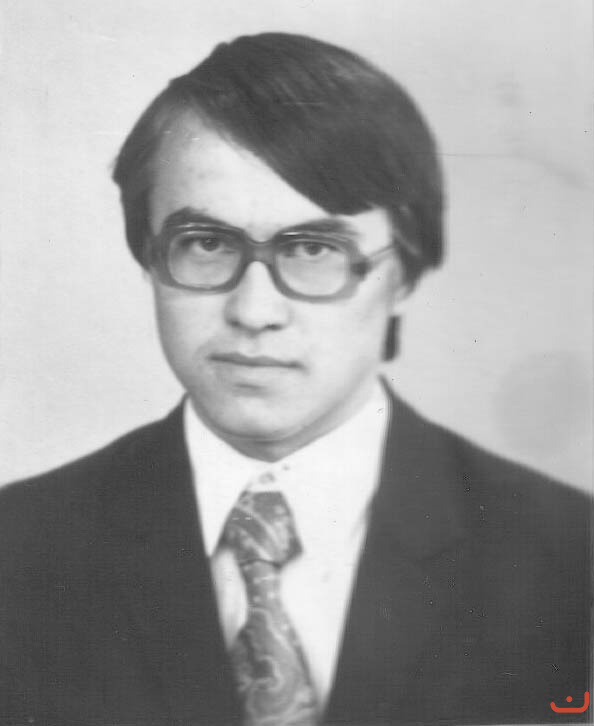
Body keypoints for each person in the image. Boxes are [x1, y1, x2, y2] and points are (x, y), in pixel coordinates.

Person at [0, 32, 590, 726]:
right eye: (206, 243)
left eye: (313, 249)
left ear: (404, 271)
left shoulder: (569, 560)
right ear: (149, 259)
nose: (254, 312)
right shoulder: (19, 550)